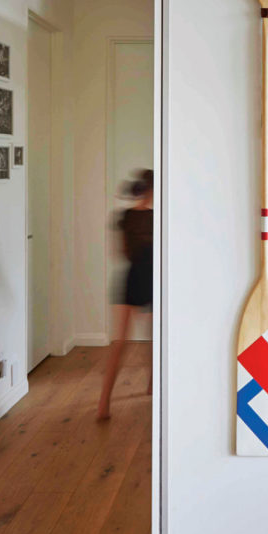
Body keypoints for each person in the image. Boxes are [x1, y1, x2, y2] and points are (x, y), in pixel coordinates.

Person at [97, 169, 153, 421]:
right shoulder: (157, 218)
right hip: (151, 280)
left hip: (130, 279)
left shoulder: (123, 217)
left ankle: (103, 403)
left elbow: (121, 254)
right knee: (154, 341)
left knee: (120, 343)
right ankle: (153, 386)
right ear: (152, 190)